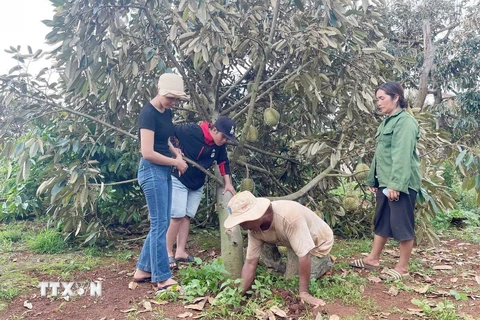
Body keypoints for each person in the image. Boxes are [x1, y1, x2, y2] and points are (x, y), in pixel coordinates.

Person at [349, 81, 421, 281]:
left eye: (382, 98)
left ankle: (402, 268)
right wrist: (374, 179)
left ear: (396, 97)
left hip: (401, 183)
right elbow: (380, 155)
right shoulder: (386, 122)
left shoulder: (405, 122)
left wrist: (395, 185)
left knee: (402, 224)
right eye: (377, 99)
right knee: (381, 221)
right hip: (385, 182)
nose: (378, 103)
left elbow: (402, 155)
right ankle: (372, 259)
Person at [224, 191, 334, 307]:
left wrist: (304, 293)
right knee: (255, 253)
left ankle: (326, 262)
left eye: (242, 222)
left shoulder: (289, 216)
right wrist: (237, 295)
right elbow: (250, 263)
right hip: (291, 241)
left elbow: (304, 255)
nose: (242, 226)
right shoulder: (253, 230)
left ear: (254, 215)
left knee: (292, 280)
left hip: (317, 244)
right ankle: (287, 263)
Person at [133, 73, 189, 291]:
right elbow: (147, 152)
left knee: (162, 223)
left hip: (163, 170)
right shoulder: (147, 114)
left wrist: (177, 154)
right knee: (159, 225)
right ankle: (161, 278)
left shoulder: (166, 113)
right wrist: (176, 163)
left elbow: (164, 139)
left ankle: (143, 270)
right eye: (170, 98)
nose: (173, 102)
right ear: (159, 90)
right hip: (151, 171)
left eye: (176, 99)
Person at [166, 116, 237, 268]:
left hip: (197, 183)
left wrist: (228, 183)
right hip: (179, 178)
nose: (224, 140)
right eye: (223, 136)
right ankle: (167, 253)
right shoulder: (192, 130)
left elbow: (223, 162)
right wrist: (174, 149)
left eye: (227, 139)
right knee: (177, 216)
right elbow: (169, 130)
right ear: (214, 129)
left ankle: (180, 251)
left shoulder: (219, 146)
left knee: (186, 216)